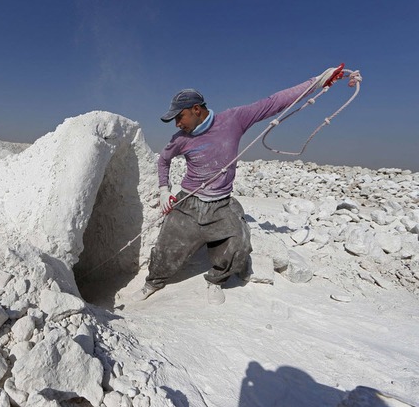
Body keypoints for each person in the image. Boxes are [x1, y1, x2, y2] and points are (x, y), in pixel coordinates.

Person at [132, 65, 345, 304]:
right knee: (166, 248)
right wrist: (164, 190)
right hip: (189, 202)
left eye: (179, 117)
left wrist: (318, 81)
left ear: (196, 109)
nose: (177, 124)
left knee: (239, 245)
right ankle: (153, 282)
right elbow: (163, 160)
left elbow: (274, 102)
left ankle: (215, 280)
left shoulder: (234, 119)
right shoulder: (180, 140)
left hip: (220, 204)